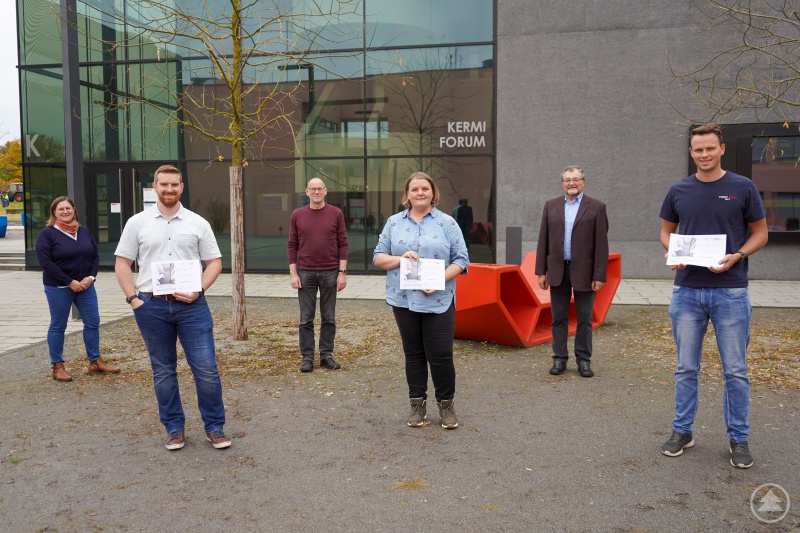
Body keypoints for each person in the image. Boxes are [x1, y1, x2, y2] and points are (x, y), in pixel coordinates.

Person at [659, 123, 767, 469]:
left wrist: (738, 255)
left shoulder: (742, 187)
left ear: (721, 148)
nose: (704, 154)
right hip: (687, 291)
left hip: (731, 291)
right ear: (691, 153)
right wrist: (672, 254)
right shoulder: (679, 190)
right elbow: (666, 233)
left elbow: (760, 234)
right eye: (697, 150)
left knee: (735, 370)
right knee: (685, 368)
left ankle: (738, 439)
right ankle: (683, 431)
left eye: (709, 148)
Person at [114, 165, 230, 451]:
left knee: (206, 368)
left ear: (182, 187)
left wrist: (199, 289)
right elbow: (122, 263)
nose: (169, 189)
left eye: (174, 185)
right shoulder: (137, 223)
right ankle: (174, 428)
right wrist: (134, 300)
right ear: (154, 186)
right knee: (163, 370)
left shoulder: (197, 223)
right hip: (151, 307)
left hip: (193, 307)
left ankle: (215, 427)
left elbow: (214, 262)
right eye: (163, 184)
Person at [373, 172, 469, 429]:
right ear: (407, 194)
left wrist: (437, 279)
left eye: (424, 188)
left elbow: (462, 259)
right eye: (414, 189)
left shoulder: (447, 223)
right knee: (413, 354)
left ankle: (446, 405)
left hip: (438, 300)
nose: (419, 193)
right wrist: (401, 259)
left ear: (432, 192)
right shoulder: (393, 223)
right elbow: (378, 257)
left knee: (440, 354)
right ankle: (417, 405)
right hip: (403, 300)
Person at [35, 196, 120, 382]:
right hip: (58, 287)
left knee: (92, 322)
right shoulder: (47, 234)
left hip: (85, 286)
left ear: (74, 210)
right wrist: (70, 281)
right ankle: (57, 366)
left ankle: (95, 362)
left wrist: (90, 277)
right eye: (60, 209)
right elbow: (46, 263)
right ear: (54, 212)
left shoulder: (83, 231)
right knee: (58, 325)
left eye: (68, 208)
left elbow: (95, 255)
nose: (65, 212)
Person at [536, 166, 609, 378]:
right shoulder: (551, 206)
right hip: (558, 270)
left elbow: (601, 245)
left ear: (583, 182)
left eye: (576, 179)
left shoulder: (596, 207)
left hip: (585, 272)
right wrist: (542, 271)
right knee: (558, 317)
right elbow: (544, 240)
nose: (571, 183)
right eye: (567, 180)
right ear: (562, 183)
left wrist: (599, 275)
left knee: (585, 318)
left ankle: (583, 360)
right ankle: (559, 359)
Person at [288, 177, 349, 373]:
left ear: (325, 191)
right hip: (305, 272)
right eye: (312, 189)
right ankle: (307, 357)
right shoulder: (297, 215)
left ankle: (326, 356)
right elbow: (292, 245)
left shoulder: (336, 213)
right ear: (306, 192)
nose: (316, 192)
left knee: (328, 317)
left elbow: (343, 243)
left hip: (331, 271)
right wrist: (293, 274)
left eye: (319, 189)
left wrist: (342, 273)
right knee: (305, 318)